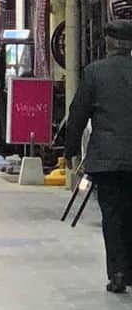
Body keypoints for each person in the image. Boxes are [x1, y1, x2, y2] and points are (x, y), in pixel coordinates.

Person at [65, 22, 132, 293]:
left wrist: (70, 152)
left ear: (108, 43)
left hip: (106, 161)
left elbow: (78, 115)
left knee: (113, 215)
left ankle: (117, 272)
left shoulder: (95, 73)